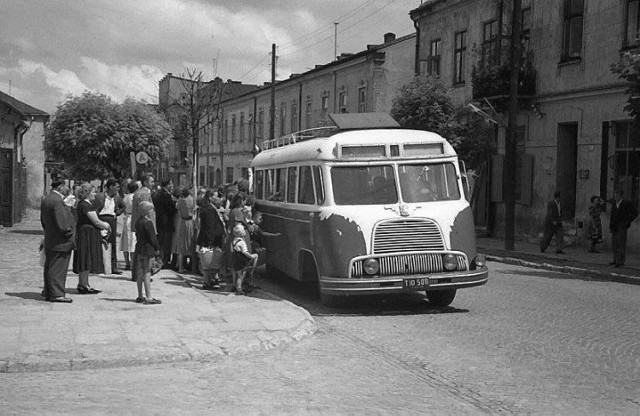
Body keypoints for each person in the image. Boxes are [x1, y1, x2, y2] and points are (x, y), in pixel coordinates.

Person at [40, 178, 76, 303]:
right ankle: (57, 293)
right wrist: (69, 233)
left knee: (50, 266)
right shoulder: (57, 202)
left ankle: (49, 291)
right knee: (58, 268)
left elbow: (43, 221)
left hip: (51, 238)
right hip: (60, 241)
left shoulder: (47, 199)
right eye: (66, 186)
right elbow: (62, 223)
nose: (68, 189)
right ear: (60, 187)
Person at [72, 182, 111, 294]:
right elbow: (96, 221)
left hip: (88, 233)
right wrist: (107, 226)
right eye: (93, 192)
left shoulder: (86, 204)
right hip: (86, 234)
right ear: (87, 193)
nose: (95, 194)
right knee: (85, 257)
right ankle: (83, 284)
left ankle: (84, 283)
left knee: (86, 257)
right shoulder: (85, 205)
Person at [93, 178, 125, 275]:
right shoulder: (100, 196)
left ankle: (113, 266)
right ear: (110, 187)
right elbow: (94, 207)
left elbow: (123, 206)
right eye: (116, 187)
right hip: (101, 219)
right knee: (100, 242)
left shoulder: (117, 198)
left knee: (112, 243)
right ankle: (99, 265)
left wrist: (117, 213)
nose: (117, 189)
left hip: (112, 220)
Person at [197, 190, 227, 290]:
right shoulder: (210, 210)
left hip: (210, 239)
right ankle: (207, 282)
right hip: (210, 240)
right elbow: (210, 227)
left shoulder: (207, 209)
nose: (219, 198)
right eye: (216, 196)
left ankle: (210, 280)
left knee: (210, 263)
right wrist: (209, 242)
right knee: (208, 263)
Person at [134, 201, 162, 304]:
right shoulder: (148, 223)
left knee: (140, 273)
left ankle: (140, 295)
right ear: (147, 211)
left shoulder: (138, 221)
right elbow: (152, 238)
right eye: (151, 209)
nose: (152, 211)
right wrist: (157, 248)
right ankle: (149, 297)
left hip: (139, 248)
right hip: (147, 250)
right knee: (147, 272)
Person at [131, 174, 155, 281]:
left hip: (138, 223)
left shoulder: (138, 192)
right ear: (145, 182)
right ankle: (143, 274)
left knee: (139, 248)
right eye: (151, 181)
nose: (153, 184)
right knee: (144, 251)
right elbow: (146, 209)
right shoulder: (144, 194)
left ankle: (137, 273)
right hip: (145, 224)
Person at [608, 189, 638, 267]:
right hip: (615, 226)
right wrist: (610, 226)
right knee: (614, 243)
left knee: (621, 243)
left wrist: (628, 221)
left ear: (621, 196)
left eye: (617, 195)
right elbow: (612, 216)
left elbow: (635, 213)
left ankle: (620, 261)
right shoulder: (614, 204)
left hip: (622, 226)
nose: (615, 197)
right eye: (615, 195)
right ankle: (615, 260)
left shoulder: (626, 203)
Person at [152, 179, 176, 267]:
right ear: (167, 185)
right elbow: (170, 209)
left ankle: (159, 259)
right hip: (166, 221)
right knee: (165, 242)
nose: (172, 186)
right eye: (171, 184)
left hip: (159, 220)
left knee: (160, 241)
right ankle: (164, 261)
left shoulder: (156, 194)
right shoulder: (166, 195)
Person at [231, 224, 258, 296]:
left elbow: (232, 250)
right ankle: (239, 289)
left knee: (237, 274)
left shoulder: (234, 240)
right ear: (242, 233)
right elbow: (244, 252)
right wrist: (251, 256)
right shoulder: (242, 242)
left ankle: (234, 286)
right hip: (241, 261)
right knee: (240, 276)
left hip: (235, 259)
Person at [174, 187, 196, 273]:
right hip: (190, 222)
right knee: (191, 243)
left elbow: (177, 208)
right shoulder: (192, 200)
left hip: (182, 221)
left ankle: (180, 266)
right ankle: (193, 267)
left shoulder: (180, 200)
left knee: (182, 243)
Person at [120, 181, 138, 270]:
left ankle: (127, 262)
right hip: (133, 218)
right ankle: (133, 263)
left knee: (125, 241)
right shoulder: (134, 197)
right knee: (132, 241)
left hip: (127, 217)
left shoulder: (125, 197)